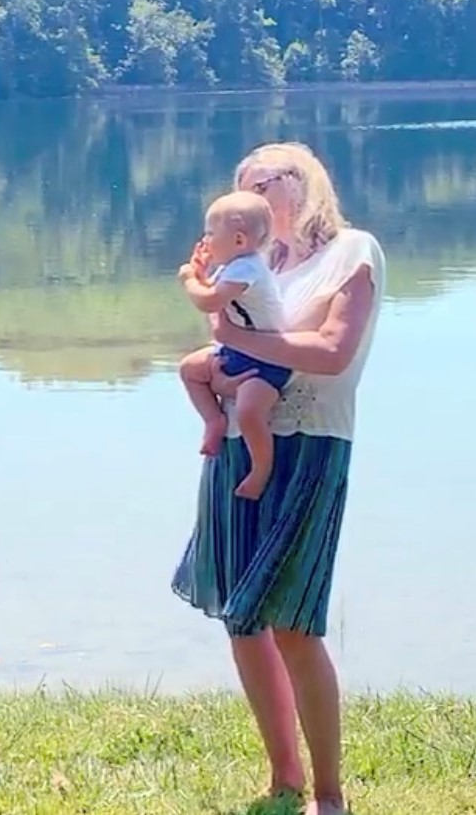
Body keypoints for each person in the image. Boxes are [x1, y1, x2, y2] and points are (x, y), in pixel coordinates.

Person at [171, 141, 386, 815]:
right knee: (243, 619)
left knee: (293, 621)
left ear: (306, 183)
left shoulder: (353, 251)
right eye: (245, 180)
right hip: (240, 444)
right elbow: (223, 334)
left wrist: (243, 351)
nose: (256, 187)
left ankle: (329, 794)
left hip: (311, 444)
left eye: (270, 177)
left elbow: (331, 352)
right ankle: (284, 778)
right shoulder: (254, 263)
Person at [177, 190, 293, 501]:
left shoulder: (248, 268)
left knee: (249, 411)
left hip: (267, 359)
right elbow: (214, 293)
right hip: (237, 351)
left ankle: (260, 468)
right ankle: (214, 419)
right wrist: (203, 274)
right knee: (190, 370)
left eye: (211, 233)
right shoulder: (231, 267)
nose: (205, 240)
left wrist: (189, 279)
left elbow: (210, 301)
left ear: (240, 240)